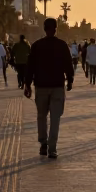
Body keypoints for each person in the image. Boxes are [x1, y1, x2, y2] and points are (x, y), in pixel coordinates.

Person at [25, 18, 75, 159]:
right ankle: (52, 148)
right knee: (55, 118)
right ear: (55, 28)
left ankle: (43, 143)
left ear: (44, 28)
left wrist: (27, 84)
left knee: (41, 116)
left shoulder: (37, 45)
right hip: (57, 86)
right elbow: (68, 64)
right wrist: (70, 80)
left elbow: (30, 66)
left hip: (41, 86)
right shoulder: (62, 45)